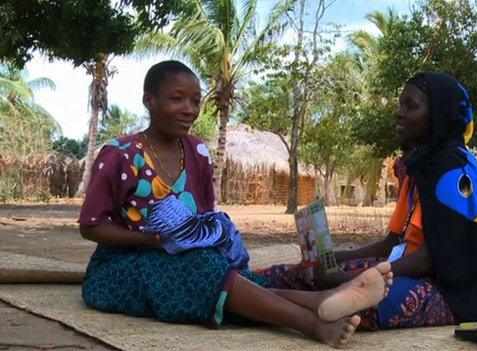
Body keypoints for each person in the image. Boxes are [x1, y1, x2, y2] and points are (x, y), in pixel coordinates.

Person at [78, 60, 394, 348]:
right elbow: (91, 227)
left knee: (223, 272)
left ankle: (323, 300)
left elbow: (201, 218)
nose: (189, 109)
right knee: (203, 272)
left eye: (195, 101)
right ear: (150, 101)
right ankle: (311, 320)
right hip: (121, 267)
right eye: (177, 99)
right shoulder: (119, 155)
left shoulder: (198, 152)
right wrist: (147, 240)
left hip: (183, 257)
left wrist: (216, 237)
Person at [256, 72, 477, 329]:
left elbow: (433, 258)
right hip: (406, 270)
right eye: (400, 104)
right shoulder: (422, 166)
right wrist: (337, 258)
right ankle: (250, 284)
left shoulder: (453, 170)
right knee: (309, 274)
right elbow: (393, 242)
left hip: (450, 292)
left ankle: (261, 301)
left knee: (369, 302)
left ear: (439, 115)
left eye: (411, 106)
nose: (399, 112)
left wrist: (351, 276)